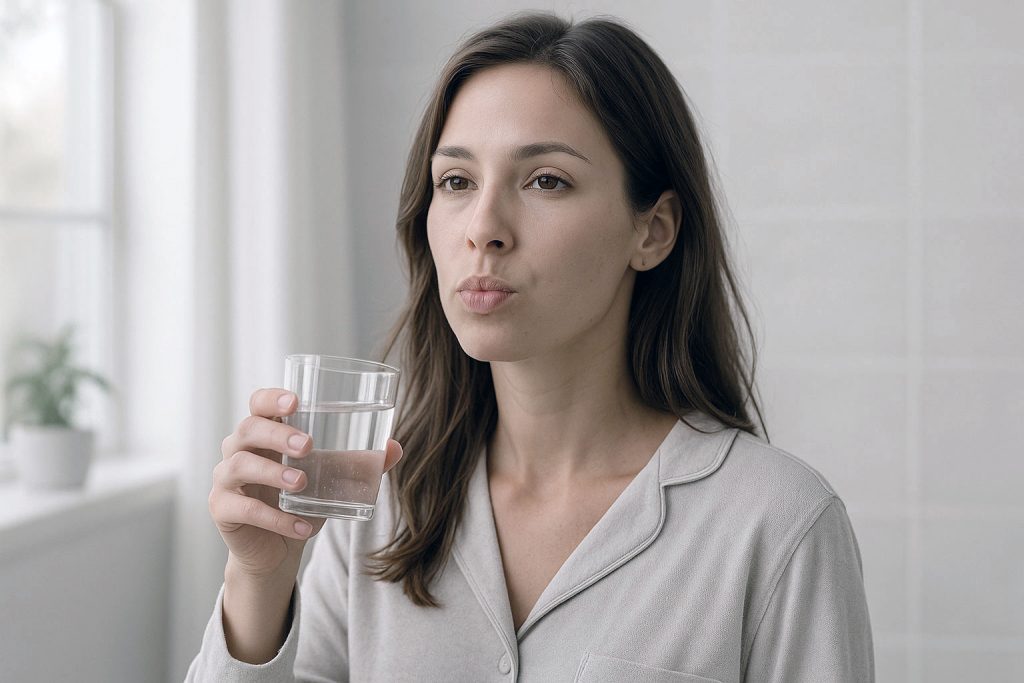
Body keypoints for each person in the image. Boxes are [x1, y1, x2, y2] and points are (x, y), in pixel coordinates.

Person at [187, 11, 874, 682]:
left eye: (547, 180)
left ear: (654, 230)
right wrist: (259, 582)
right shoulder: (378, 510)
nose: (483, 227)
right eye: (456, 181)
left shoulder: (778, 524)